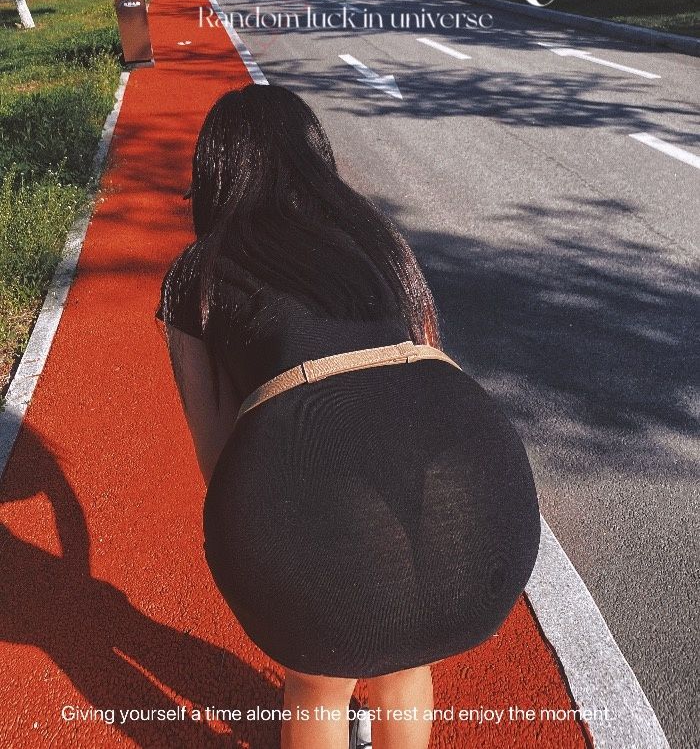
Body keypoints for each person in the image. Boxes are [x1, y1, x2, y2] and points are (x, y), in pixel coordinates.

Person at [156, 84, 541, 749]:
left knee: (318, 682)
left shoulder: (198, 273)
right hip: (489, 522)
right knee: (405, 664)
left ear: (215, 173)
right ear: (316, 155)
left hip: (325, 509)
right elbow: (420, 376)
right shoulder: (378, 240)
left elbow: (218, 456)